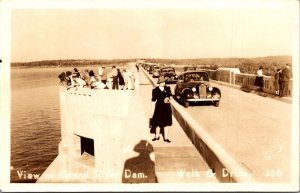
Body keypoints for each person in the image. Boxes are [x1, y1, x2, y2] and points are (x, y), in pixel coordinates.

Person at [150, 76, 172, 143]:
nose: (163, 83)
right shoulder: (155, 90)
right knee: (157, 123)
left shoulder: (167, 88)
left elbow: (170, 96)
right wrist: (152, 110)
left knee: (166, 123)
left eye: (164, 81)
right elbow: (153, 100)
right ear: (159, 83)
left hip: (166, 107)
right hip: (158, 108)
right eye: (162, 82)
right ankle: (157, 136)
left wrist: (168, 98)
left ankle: (166, 138)